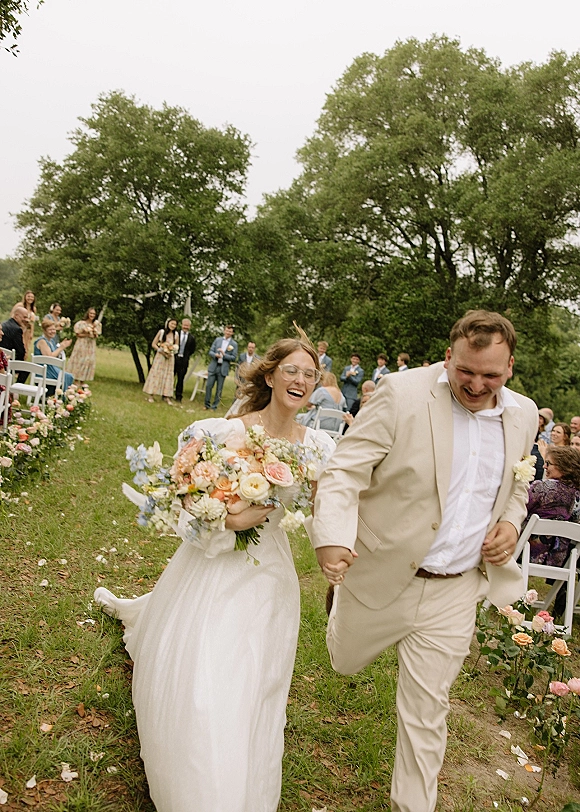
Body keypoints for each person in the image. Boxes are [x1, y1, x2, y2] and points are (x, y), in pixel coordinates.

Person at [94, 333, 335, 812]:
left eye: (310, 374)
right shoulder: (224, 432)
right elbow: (188, 495)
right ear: (270, 375)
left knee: (252, 677)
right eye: (292, 370)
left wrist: (336, 554)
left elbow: (329, 510)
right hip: (214, 560)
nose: (301, 380)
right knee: (206, 666)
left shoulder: (318, 448)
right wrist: (228, 519)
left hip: (269, 570)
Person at [309, 310, 538, 812]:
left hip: (455, 587)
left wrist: (509, 525)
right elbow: (345, 470)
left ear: (511, 368)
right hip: (382, 566)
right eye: (466, 371)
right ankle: (343, 603)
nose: (477, 384)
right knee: (343, 662)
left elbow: (518, 487)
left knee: (427, 711)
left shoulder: (524, 414)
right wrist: (331, 536)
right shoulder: (401, 393)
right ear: (448, 355)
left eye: (491, 375)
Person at [525, 446, 580, 568]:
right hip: (559, 560)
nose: (544, 467)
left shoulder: (542, 488)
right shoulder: (578, 496)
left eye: (548, 463)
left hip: (526, 552)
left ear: (564, 468)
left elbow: (520, 508)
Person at [143, 318, 178, 404]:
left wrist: (172, 351)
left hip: (170, 357)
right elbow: (154, 344)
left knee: (168, 376)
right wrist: (161, 350)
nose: (172, 326)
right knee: (156, 374)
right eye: (171, 323)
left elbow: (177, 345)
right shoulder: (162, 332)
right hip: (160, 356)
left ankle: (167, 396)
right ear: (168, 323)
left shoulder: (176, 334)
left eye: (174, 324)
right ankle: (151, 395)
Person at [33, 318, 74, 392]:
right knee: (67, 376)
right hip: (44, 370)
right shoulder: (42, 341)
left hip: (50, 368)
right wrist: (61, 347)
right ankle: (61, 396)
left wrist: (61, 345)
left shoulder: (51, 340)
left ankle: (62, 396)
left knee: (69, 376)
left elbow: (54, 351)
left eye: (54, 329)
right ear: (44, 330)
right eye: (50, 330)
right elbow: (49, 357)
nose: (53, 332)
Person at [204, 325, 238, 410]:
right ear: (224, 331)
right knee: (208, 386)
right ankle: (206, 405)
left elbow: (233, 357)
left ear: (232, 333)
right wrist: (215, 355)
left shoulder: (234, 344)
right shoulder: (217, 340)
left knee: (219, 389)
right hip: (214, 366)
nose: (228, 332)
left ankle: (214, 406)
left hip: (223, 368)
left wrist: (224, 355)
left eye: (230, 331)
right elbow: (210, 351)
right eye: (227, 330)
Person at [67, 308, 102, 384]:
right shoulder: (81, 323)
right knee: (79, 360)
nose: (92, 315)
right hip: (82, 344)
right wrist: (87, 334)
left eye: (93, 314)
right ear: (87, 314)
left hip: (90, 346)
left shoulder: (96, 324)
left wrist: (93, 332)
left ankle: (83, 380)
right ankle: (76, 379)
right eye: (91, 313)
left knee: (88, 361)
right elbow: (78, 334)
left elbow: (96, 336)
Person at [1, 306, 28, 382]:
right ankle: (15, 391)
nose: (26, 320)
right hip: (7, 362)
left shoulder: (3, 324)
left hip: (2, 359)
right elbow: (21, 351)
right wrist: (17, 365)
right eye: (24, 317)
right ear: (16, 316)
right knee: (26, 369)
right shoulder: (17, 329)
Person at [173, 318, 196, 403]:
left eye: (187, 325)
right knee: (171, 377)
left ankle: (178, 397)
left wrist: (185, 356)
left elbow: (192, 350)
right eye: (184, 325)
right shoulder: (176, 334)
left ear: (190, 327)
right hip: (174, 358)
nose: (185, 327)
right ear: (181, 325)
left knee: (180, 379)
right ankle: (166, 394)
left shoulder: (191, 337)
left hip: (184, 361)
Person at [12, 290, 37, 355]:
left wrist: (32, 332)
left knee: (26, 348)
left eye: (32, 297)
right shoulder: (20, 305)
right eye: (28, 296)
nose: (30, 298)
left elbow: (32, 322)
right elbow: (13, 315)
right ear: (25, 297)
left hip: (27, 331)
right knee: (19, 346)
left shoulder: (33, 309)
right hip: (19, 329)